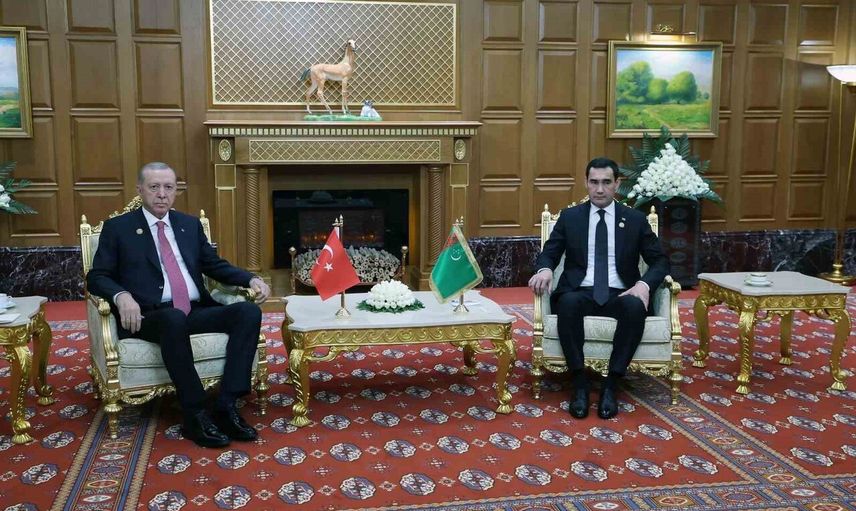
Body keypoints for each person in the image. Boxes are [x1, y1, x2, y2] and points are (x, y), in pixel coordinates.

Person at [87, 162, 272, 448]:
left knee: (247, 311)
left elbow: (214, 265)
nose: (162, 194)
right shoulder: (119, 228)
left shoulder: (188, 225)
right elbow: (97, 276)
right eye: (154, 187)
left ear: (175, 191)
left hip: (193, 310)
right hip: (149, 317)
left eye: (168, 187)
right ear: (140, 190)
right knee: (172, 317)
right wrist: (122, 296)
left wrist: (250, 279)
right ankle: (195, 413)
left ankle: (226, 405)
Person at [528, 157, 668, 419]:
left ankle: (611, 384)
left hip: (620, 292)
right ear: (586, 183)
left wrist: (643, 285)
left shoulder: (635, 220)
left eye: (606, 182)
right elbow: (549, 252)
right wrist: (545, 269)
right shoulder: (571, 218)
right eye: (594, 182)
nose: (600, 189)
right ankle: (579, 382)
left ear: (617, 183)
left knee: (635, 306)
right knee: (568, 303)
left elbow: (660, 261)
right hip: (580, 291)